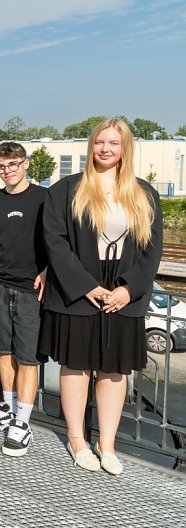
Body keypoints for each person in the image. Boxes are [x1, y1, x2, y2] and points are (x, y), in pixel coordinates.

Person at [39, 118, 162, 475]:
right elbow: (56, 242)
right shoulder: (66, 190)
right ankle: (77, 439)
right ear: (91, 146)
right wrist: (85, 285)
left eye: (114, 143)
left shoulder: (144, 192)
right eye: (99, 142)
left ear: (126, 148)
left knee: (114, 370)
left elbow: (152, 249)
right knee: (76, 365)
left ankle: (107, 444)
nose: (105, 149)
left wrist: (128, 289)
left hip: (124, 290)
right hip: (80, 288)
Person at [0, 142, 47, 457]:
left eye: (13, 164)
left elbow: (55, 242)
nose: (8, 171)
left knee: (27, 357)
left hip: (31, 289)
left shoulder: (45, 199)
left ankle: (23, 422)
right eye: (2, 167)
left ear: (26, 164)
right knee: (3, 352)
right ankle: (6, 405)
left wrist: (46, 271)